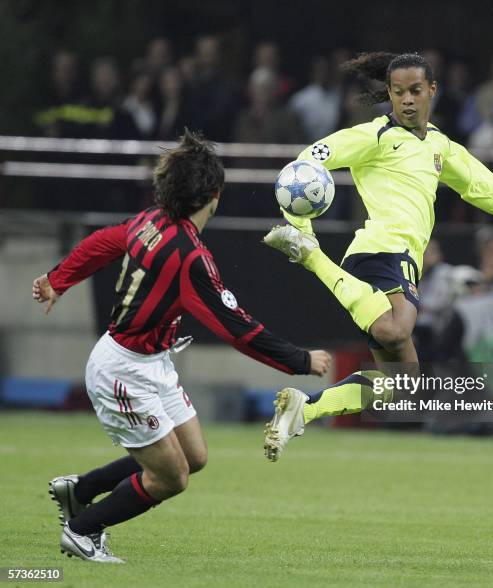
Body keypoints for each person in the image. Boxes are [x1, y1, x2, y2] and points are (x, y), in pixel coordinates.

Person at [32, 130, 331, 563]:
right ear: (215, 194)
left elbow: (103, 242)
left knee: (194, 456)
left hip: (152, 362)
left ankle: (80, 490)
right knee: (171, 478)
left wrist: (59, 280)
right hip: (124, 372)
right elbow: (235, 327)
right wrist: (300, 359)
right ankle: (82, 530)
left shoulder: (150, 221)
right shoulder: (191, 257)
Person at [262, 52, 493, 461]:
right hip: (377, 253)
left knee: (404, 387)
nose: (406, 100)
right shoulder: (375, 136)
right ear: (388, 95)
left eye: (415, 91)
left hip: (403, 261)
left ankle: (306, 408)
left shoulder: (441, 145)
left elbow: (482, 187)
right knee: (395, 330)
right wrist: (301, 227)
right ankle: (312, 256)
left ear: (432, 91)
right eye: (398, 92)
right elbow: (308, 161)